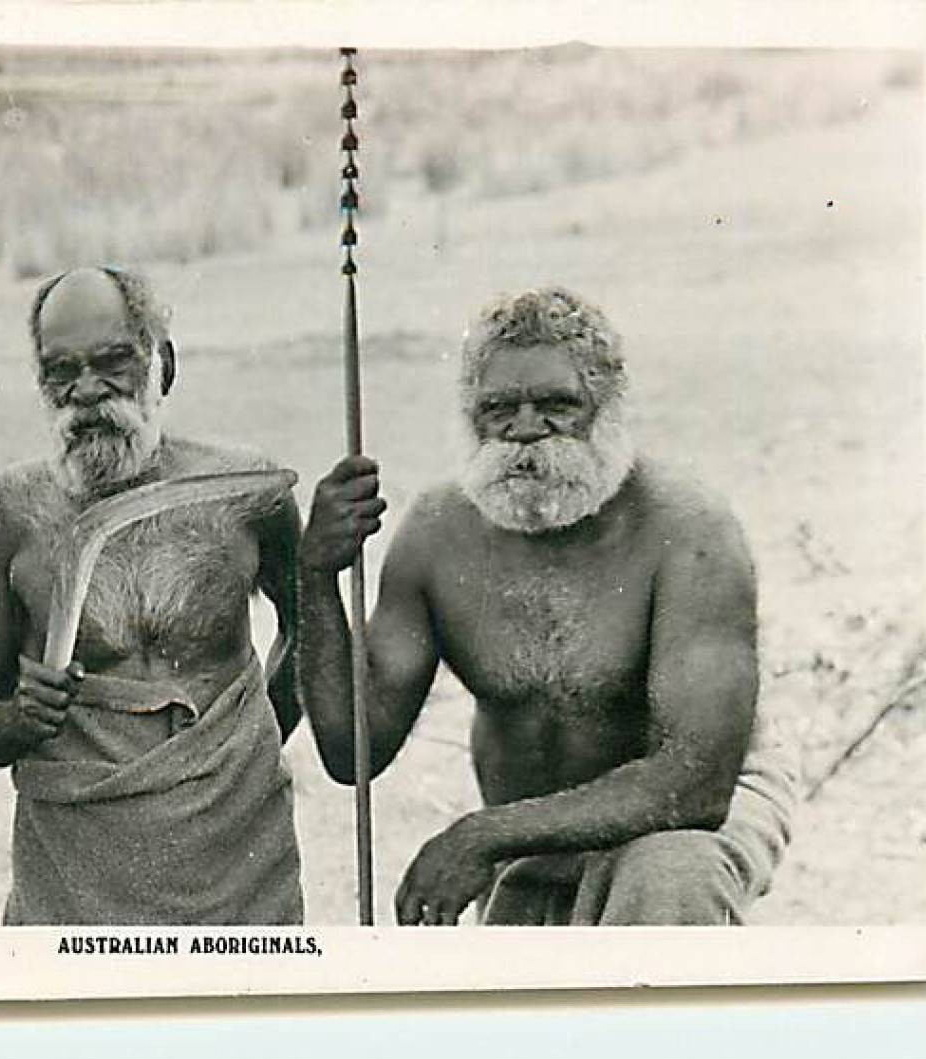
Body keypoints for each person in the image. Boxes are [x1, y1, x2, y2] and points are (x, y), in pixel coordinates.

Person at [300, 286, 796, 926]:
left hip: (693, 811)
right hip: (532, 835)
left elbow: (696, 783)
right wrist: (315, 574)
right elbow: (353, 752)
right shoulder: (436, 534)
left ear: (609, 409)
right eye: (499, 410)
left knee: (672, 876)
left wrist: (481, 835)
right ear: (469, 417)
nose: (526, 432)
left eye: (558, 406)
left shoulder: (688, 527)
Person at [0, 266, 305, 925]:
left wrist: (244, 743)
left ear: (162, 365)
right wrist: (19, 719)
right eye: (59, 371)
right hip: (74, 875)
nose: (86, 392)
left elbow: (308, 626)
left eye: (113, 361)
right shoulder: (14, 508)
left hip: (235, 861)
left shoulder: (244, 489)